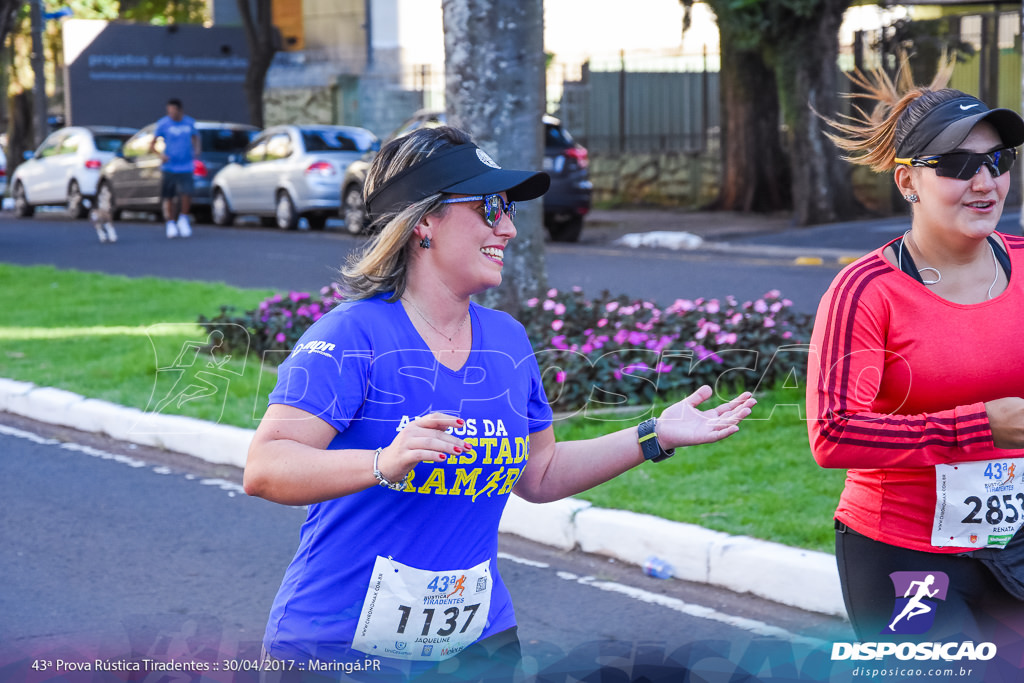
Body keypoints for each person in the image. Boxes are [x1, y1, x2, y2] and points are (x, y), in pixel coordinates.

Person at [243, 125, 756, 681]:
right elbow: (267, 466)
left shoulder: (506, 339)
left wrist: (653, 435)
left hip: (477, 645)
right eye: (489, 208)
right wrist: (381, 463)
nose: (508, 228)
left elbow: (539, 473)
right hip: (340, 650)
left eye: (508, 210)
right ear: (423, 224)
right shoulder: (352, 336)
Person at [808, 64, 1024, 646]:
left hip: (1013, 539)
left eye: (997, 161)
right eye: (957, 166)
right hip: (902, 552)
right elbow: (834, 433)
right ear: (908, 182)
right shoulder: (866, 292)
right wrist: (981, 427)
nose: (985, 183)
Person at [150, 98, 199, 239]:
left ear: (180, 110)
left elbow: (196, 138)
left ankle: (183, 219)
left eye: (174, 111)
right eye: (169, 111)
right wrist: (161, 155)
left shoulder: (189, 122)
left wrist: (196, 150)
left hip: (186, 166)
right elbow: (152, 144)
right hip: (169, 167)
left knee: (186, 193)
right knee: (169, 196)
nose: (171, 114)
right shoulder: (163, 123)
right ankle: (170, 222)